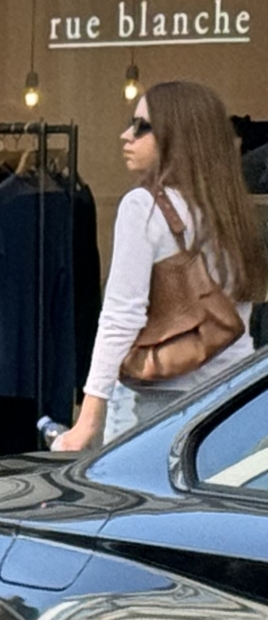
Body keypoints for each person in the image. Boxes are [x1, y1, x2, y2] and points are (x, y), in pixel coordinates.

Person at [52, 79, 266, 450]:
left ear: (179, 137)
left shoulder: (142, 207)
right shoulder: (233, 212)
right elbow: (242, 320)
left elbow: (121, 316)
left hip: (156, 407)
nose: (126, 136)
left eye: (141, 126)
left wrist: (87, 421)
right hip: (231, 404)